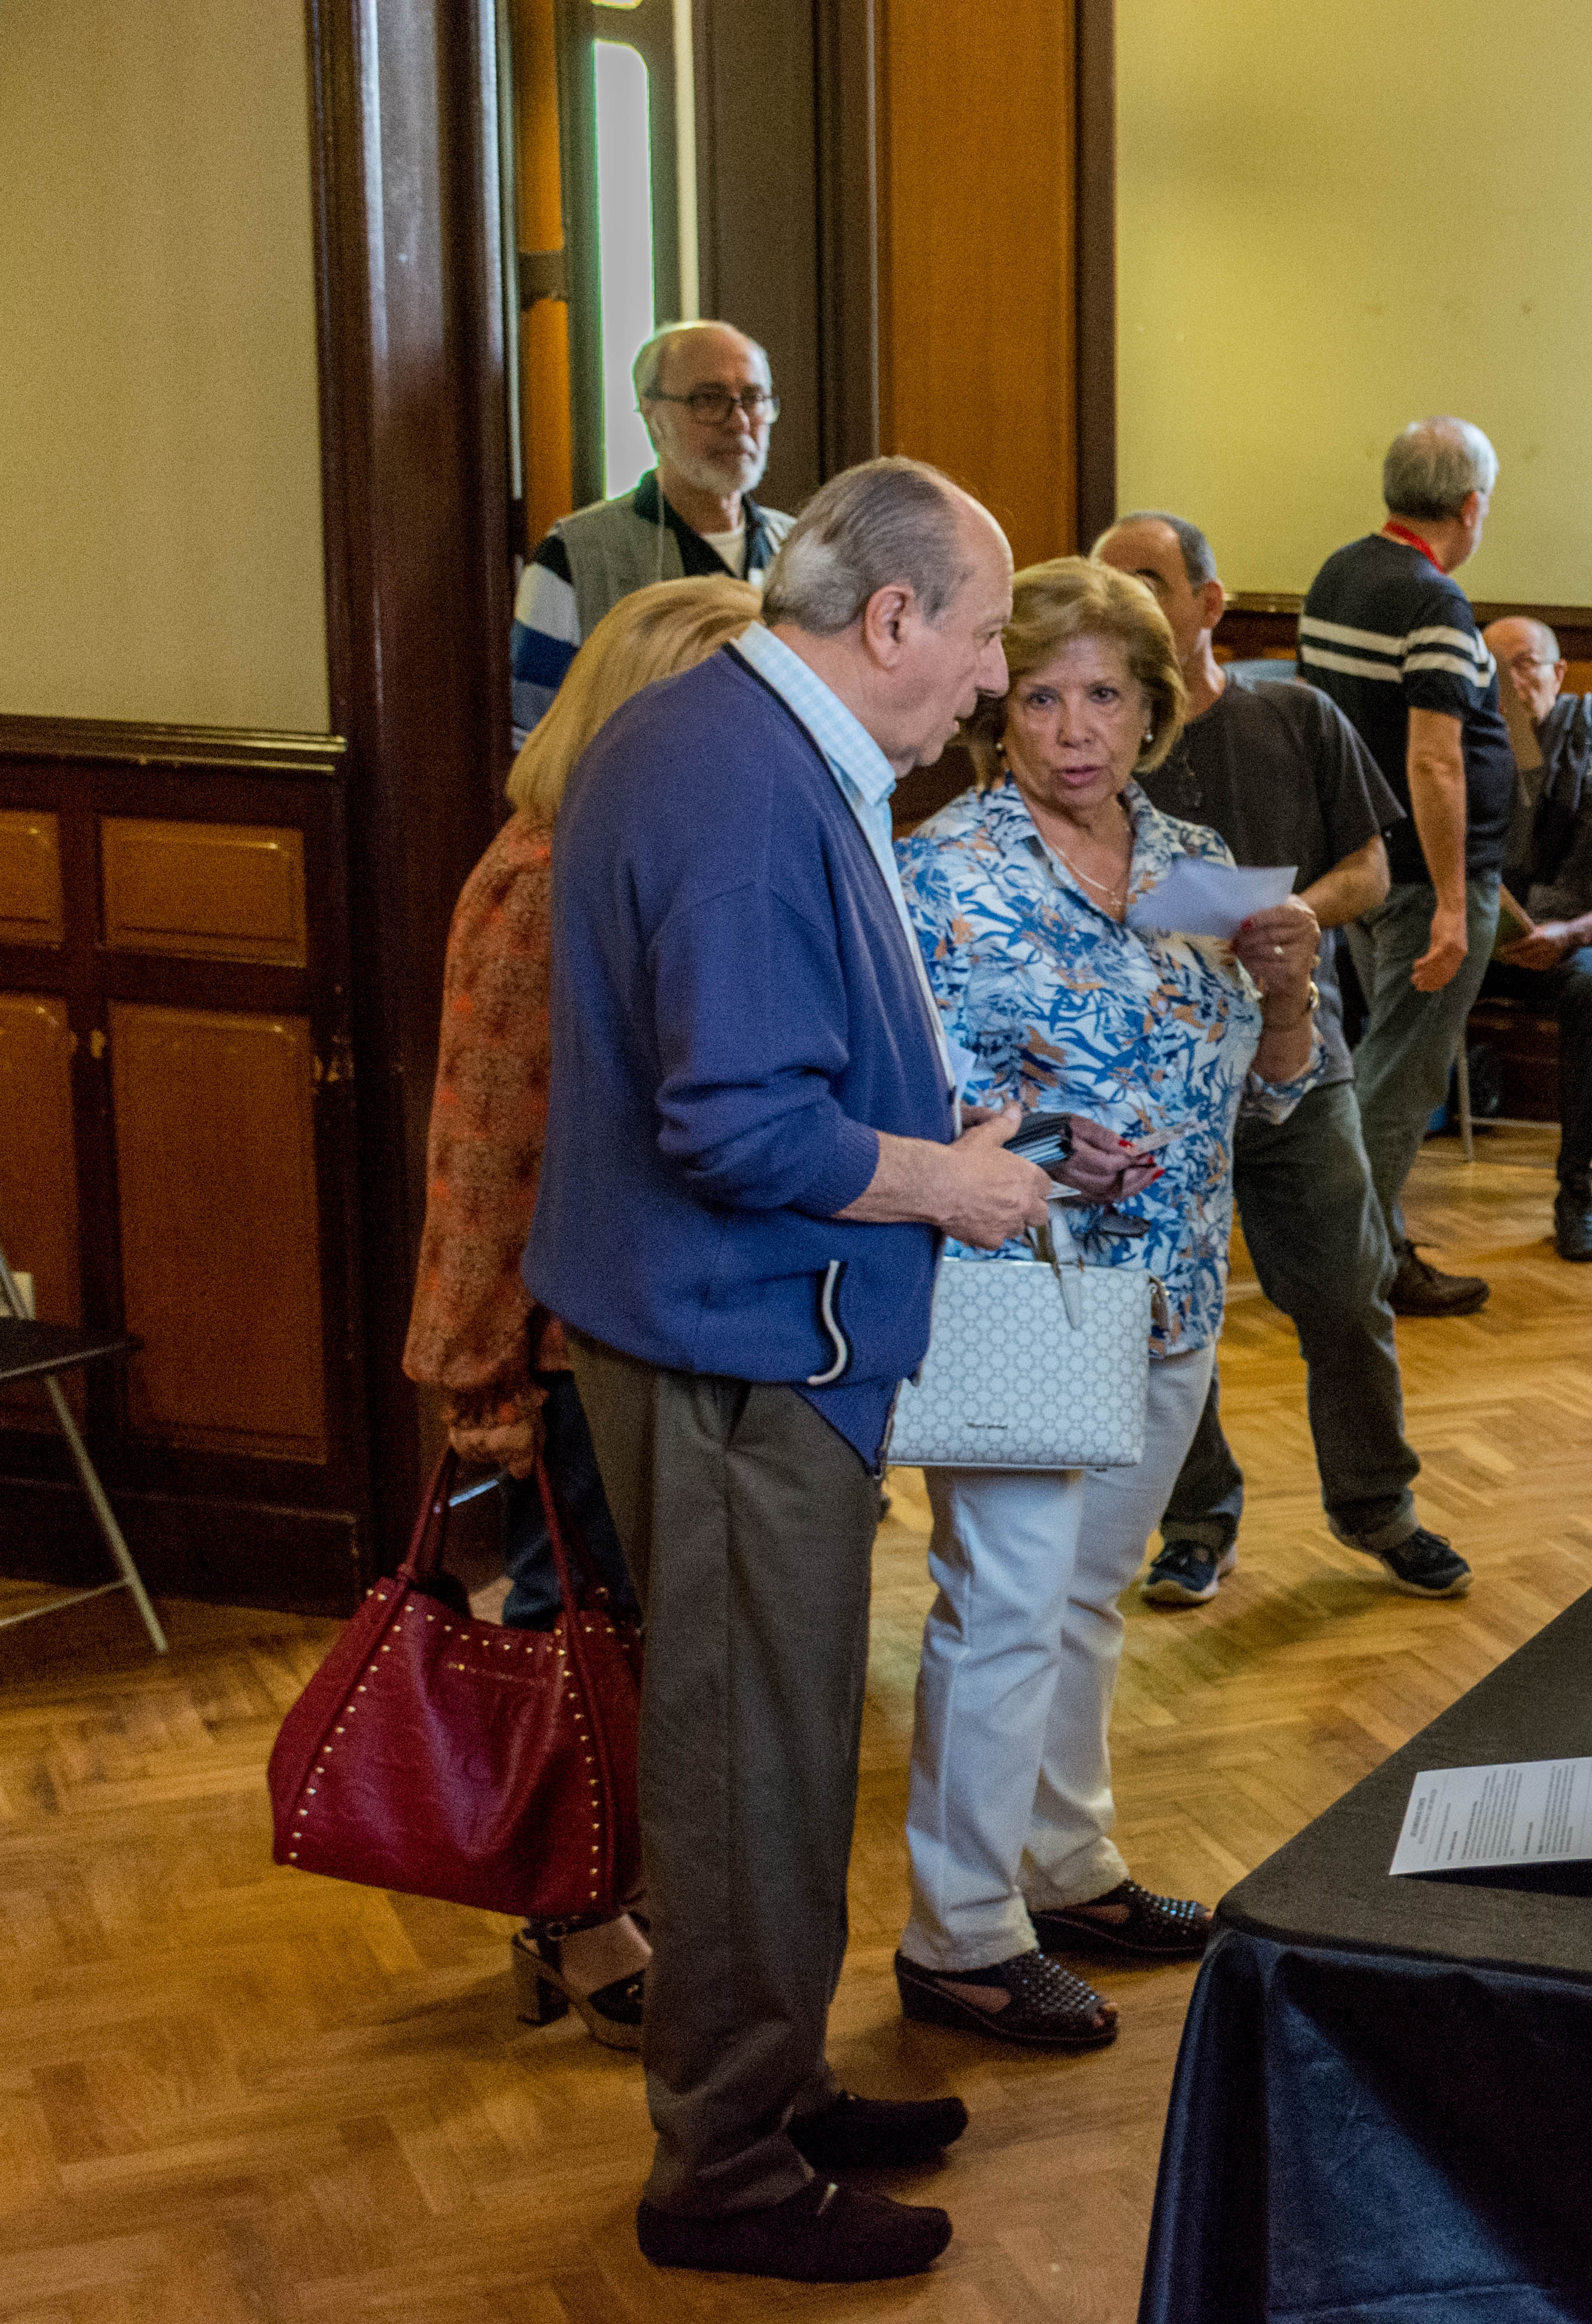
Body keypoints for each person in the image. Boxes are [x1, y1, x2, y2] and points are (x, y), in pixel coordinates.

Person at [525, 456, 1103, 2285]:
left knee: (773, 1743)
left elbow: (787, 1060)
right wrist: (954, 1180)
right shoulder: (738, 775)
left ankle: (766, 2087)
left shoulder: (743, 742)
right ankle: (723, 2166)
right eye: (996, 634)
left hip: (755, 1334)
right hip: (731, 1346)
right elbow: (735, 1120)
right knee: (745, 1764)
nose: (1001, 680)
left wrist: (961, 1127)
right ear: (894, 617)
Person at [891, 557, 1325, 2050]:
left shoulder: (1197, 857)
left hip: (1178, 1281)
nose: (1073, 729)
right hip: (1021, 1278)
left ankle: (1066, 1868)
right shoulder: (945, 871)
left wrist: (1287, 1000)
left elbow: (1262, 1102)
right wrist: (1035, 1135)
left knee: (1084, 1596)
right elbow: (912, 1098)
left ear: (1153, 709)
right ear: (997, 712)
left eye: (1104, 697)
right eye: (1041, 697)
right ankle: (957, 1932)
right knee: (1001, 1601)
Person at [402, 574, 756, 2052]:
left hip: (659, 1328)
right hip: (563, 1342)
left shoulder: (654, 856)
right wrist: (476, 1367)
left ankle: (614, 1893)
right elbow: (484, 1145)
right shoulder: (544, 873)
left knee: (643, 1637)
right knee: (569, 1633)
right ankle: (568, 1914)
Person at [1094, 508, 1471, 1606]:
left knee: (1348, 1293)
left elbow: (1369, 868)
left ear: (1209, 604)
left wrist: (1301, 915)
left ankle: (1379, 1508)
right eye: (1106, 585)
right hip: (1150, 1079)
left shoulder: (1298, 717)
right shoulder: (1095, 746)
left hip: (1298, 1055)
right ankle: (1194, 1522)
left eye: (1148, 582)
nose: (1124, 606)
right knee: (1170, 1309)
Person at [1303, 415, 1515, 1318]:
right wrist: (1456, 907)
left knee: (1372, 1067)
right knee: (1399, 1081)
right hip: (1423, 883)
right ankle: (1347, 1271)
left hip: (1363, 866)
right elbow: (1434, 762)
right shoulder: (1433, 600)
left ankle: (1372, 1246)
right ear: (1471, 507)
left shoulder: (1338, 574)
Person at [508, 320, 791, 743]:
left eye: (753, 399)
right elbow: (529, 733)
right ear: (652, 415)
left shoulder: (801, 550)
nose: (738, 422)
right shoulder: (575, 556)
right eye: (708, 399)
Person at [1479, 615, 1592, 1263]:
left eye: (1523, 664)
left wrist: (1570, 933)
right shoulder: (1463, 741)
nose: (1509, 683)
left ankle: (1576, 1192)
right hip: (1488, 938)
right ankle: (1378, 1205)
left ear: (1558, 672)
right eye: (1490, 668)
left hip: (1579, 935)